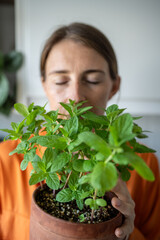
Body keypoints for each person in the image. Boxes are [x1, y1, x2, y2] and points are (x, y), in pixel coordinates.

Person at [0, 22, 159, 240]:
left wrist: (127, 235)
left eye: (93, 80)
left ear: (113, 86)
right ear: (45, 85)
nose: (75, 98)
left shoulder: (143, 161)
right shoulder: (4, 160)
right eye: (61, 80)